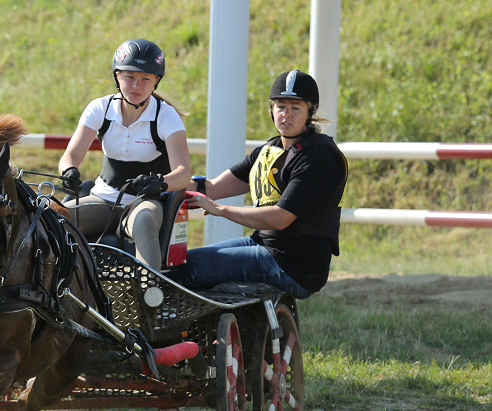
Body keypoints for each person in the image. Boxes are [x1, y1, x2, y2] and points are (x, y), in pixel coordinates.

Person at [177, 69, 348, 298]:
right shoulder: (270, 150)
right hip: (265, 246)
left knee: (188, 270)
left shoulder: (318, 157)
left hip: (294, 265)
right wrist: (164, 185)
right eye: (280, 106)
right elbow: (213, 187)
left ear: (310, 113)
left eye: (295, 107)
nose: (286, 114)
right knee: (180, 262)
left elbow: (279, 218)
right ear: (271, 110)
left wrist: (219, 210)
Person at [58, 38, 191, 271]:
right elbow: (70, 156)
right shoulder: (100, 108)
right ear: (117, 76)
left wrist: (159, 183)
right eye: (129, 77)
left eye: (145, 79)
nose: (136, 86)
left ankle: (151, 292)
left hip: (144, 202)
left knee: (145, 219)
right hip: (102, 199)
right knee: (51, 215)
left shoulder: (167, 117)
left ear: (156, 82)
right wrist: (69, 172)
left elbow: (183, 174)